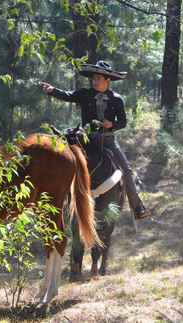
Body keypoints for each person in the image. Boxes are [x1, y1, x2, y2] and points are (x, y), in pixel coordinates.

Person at [41, 60, 150, 220]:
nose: (95, 81)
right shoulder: (84, 94)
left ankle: (137, 207)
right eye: (93, 78)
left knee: (126, 170)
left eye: (98, 78)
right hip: (85, 138)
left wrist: (111, 124)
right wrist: (52, 90)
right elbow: (67, 95)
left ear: (108, 80)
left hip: (107, 140)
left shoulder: (117, 99)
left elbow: (123, 122)